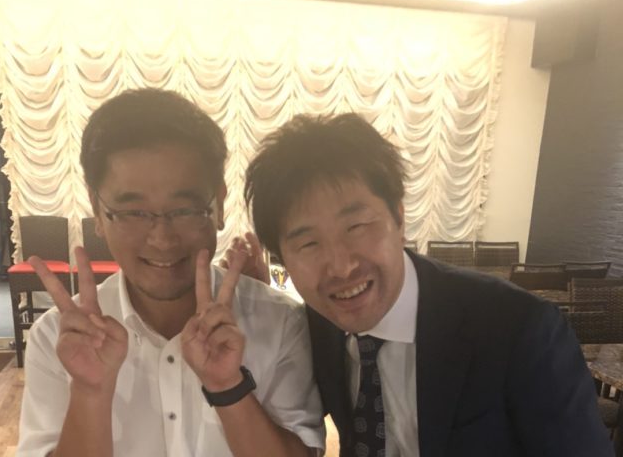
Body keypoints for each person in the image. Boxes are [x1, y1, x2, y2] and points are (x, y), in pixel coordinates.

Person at [241, 113, 613, 456]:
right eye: (308, 244)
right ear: (282, 259)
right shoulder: (318, 325)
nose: (341, 267)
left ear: (399, 219)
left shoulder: (519, 330)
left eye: (357, 226)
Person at [17, 88, 325, 457]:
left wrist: (229, 387)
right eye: (133, 212)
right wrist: (89, 392)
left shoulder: (279, 321)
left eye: (185, 210)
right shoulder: (56, 338)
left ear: (219, 203)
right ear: (98, 210)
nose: (162, 239)